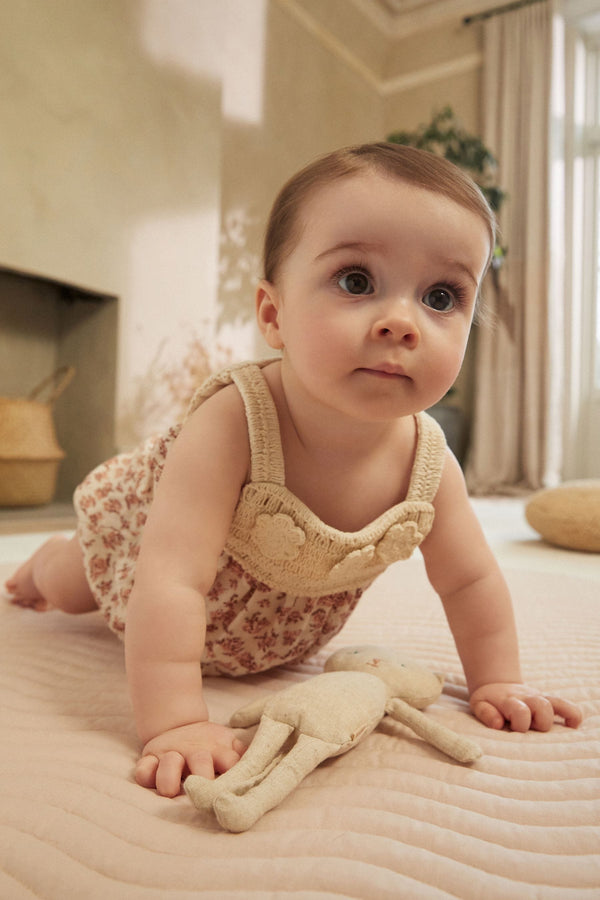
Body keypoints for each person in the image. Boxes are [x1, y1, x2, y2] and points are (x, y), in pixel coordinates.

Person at [5, 143, 582, 798]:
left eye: (442, 296)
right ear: (273, 314)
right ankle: (46, 560)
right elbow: (167, 576)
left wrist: (498, 679)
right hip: (143, 565)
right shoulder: (233, 423)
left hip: (277, 637)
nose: (401, 322)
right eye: (357, 281)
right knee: (73, 581)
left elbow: (471, 579)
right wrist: (175, 723)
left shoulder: (428, 465)